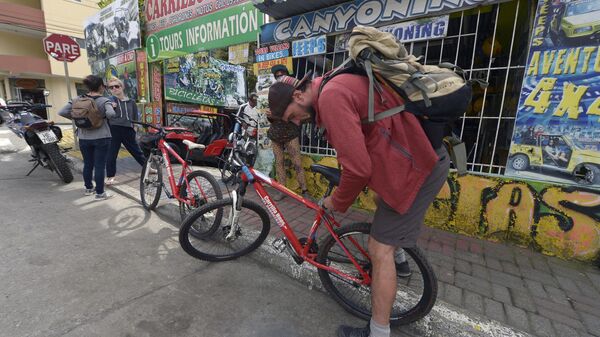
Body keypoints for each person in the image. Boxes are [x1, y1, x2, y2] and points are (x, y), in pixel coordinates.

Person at [268, 72, 450, 337]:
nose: (298, 122)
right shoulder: (332, 83)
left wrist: (336, 200)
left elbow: (359, 170)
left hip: (417, 165)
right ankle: (399, 260)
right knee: (380, 202)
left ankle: (377, 331)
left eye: (293, 115)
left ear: (298, 95)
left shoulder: (331, 97)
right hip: (411, 160)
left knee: (379, 248)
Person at [59, 75, 116, 200]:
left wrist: (79, 120)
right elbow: (111, 114)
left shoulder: (76, 99)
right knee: (100, 166)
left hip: (84, 137)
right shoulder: (104, 100)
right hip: (101, 137)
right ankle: (100, 193)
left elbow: (62, 112)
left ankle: (88, 188)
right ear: (101, 86)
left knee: (88, 164)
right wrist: (102, 117)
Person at [105, 77, 147, 185]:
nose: (114, 89)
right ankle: (110, 176)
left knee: (137, 151)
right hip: (114, 129)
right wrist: (111, 107)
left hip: (128, 129)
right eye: (111, 87)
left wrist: (135, 127)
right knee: (111, 153)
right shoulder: (110, 101)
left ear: (122, 87)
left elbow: (134, 116)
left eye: (116, 86)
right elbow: (105, 115)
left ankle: (147, 168)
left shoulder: (131, 101)